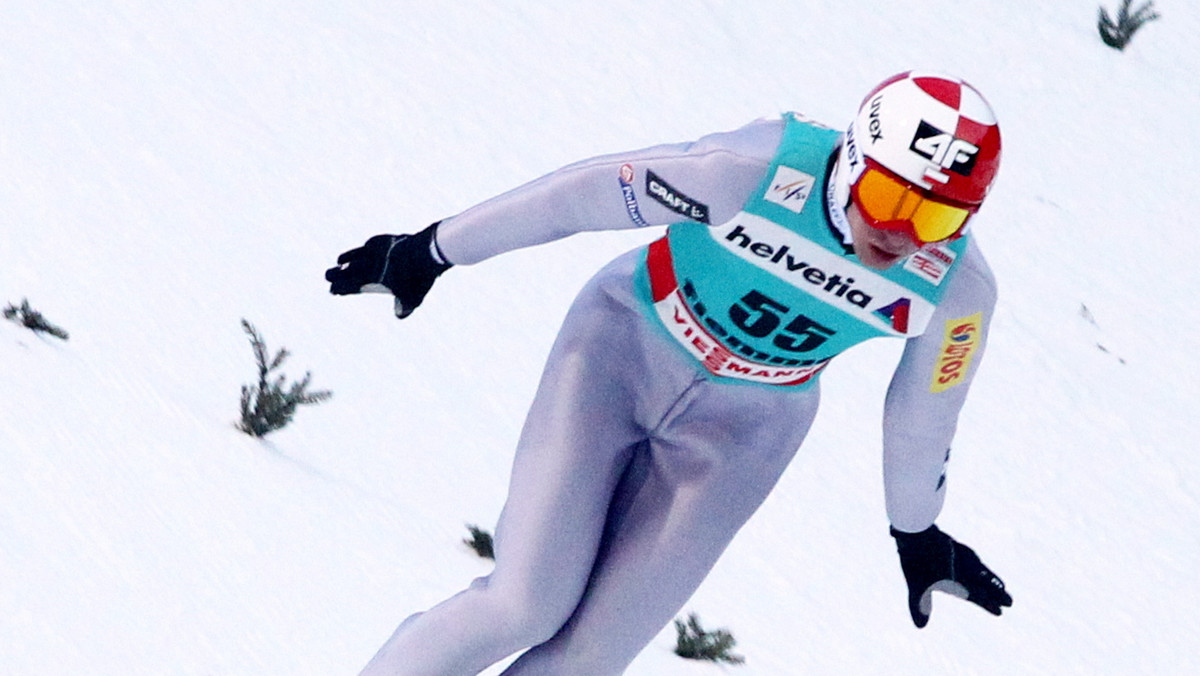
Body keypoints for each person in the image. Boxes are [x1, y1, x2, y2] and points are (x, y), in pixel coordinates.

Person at [327, 71, 1013, 676]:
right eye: (892, 198)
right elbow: (583, 196)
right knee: (524, 603)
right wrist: (433, 249)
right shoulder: (754, 170)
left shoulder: (955, 288)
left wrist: (916, 531)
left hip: (745, 432)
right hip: (620, 350)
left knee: (591, 659)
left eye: (939, 215)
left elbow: (924, 417)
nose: (903, 233)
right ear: (852, 161)